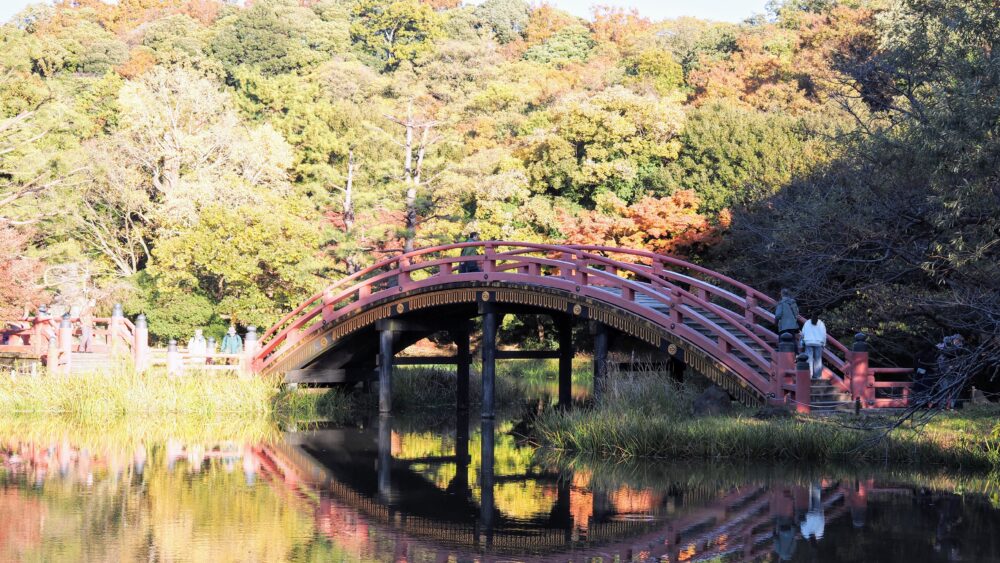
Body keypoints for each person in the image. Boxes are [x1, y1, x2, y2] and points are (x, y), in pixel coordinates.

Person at [801, 313, 827, 379]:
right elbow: (824, 335)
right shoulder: (821, 323)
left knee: (809, 359)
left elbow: (803, 334)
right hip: (818, 343)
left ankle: (809, 375)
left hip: (808, 343)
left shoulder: (807, 323)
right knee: (818, 360)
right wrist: (824, 344)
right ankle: (817, 376)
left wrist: (802, 342)